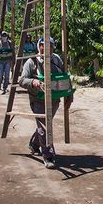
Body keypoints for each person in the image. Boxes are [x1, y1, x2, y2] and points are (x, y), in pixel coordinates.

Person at [19, 37, 73, 169]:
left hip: (54, 99)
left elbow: (65, 76)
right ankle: (48, 156)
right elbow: (22, 80)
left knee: (44, 125)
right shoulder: (32, 62)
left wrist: (70, 94)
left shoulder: (57, 59)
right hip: (38, 99)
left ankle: (34, 144)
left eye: (51, 46)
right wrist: (33, 82)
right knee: (45, 127)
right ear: (40, 46)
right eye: (45, 45)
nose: (48, 48)